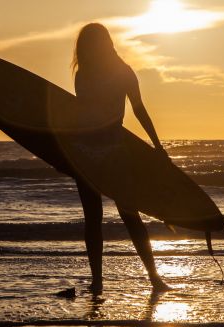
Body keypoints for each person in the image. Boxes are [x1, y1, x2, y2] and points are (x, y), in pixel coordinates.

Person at [71, 23, 169, 293]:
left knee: (124, 215)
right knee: (104, 217)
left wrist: (157, 145)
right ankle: (103, 282)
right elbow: (85, 117)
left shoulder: (101, 74)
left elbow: (138, 110)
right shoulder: (96, 74)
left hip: (97, 153)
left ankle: (150, 279)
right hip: (99, 152)